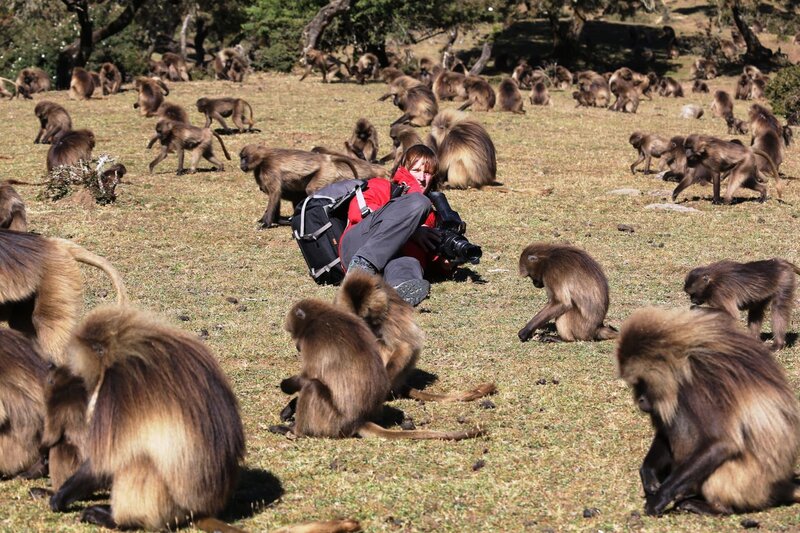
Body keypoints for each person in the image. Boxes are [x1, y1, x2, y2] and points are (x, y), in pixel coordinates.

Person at [339, 144, 448, 306]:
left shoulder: (432, 215)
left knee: (409, 261)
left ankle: (397, 294)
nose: (421, 177)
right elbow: (359, 213)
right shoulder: (380, 185)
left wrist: (444, 259)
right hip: (358, 246)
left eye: (427, 173)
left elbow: (427, 255)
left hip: (388, 263)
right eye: (416, 170)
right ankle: (362, 267)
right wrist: (412, 230)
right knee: (419, 202)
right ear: (404, 169)